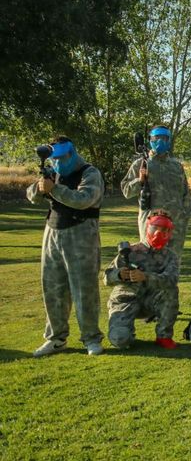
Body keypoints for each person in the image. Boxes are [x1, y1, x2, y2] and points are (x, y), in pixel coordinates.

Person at [27, 137, 104, 356]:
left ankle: (91, 338)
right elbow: (31, 196)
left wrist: (54, 190)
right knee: (53, 289)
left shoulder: (90, 173)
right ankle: (56, 338)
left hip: (81, 236)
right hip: (52, 234)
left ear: (73, 153)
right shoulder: (52, 171)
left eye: (61, 158)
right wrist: (40, 188)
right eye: (54, 159)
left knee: (84, 289)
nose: (58, 162)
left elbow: (84, 199)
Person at [104, 211, 180, 350]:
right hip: (125, 300)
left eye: (163, 230)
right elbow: (106, 278)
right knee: (120, 340)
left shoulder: (170, 256)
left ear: (169, 232)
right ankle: (126, 332)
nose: (158, 232)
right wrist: (119, 275)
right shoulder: (130, 251)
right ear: (147, 228)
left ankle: (164, 336)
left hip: (150, 301)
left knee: (171, 290)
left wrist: (146, 276)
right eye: (155, 228)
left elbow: (171, 279)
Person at [121, 125, 191, 266]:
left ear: (169, 140)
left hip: (175, 225)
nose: (160, 141)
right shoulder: (141, 164)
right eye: (157, 138)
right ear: (150, 140)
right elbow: (126, 190)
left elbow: (186, 193)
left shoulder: (177, 166)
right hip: (150, 224)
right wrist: (140, 180)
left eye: (164, 138)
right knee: (148, 263)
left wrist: (184, 215)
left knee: (173, 265)